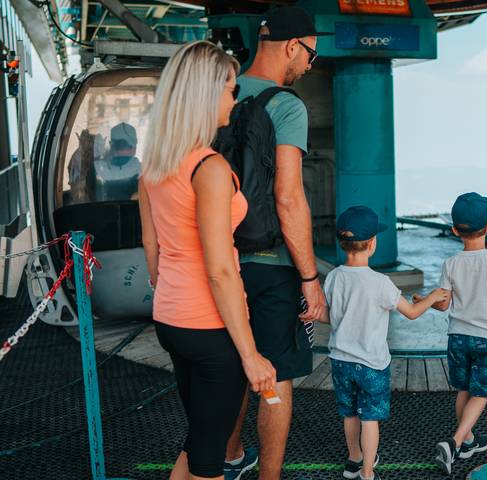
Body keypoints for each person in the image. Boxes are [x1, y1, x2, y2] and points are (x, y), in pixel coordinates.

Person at [138, 41, 276, 480]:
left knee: (200, 443)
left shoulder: (156, 164)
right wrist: (250, 354)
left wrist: (173, 302)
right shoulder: (210, 169)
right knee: (210, 461)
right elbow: (219, 270)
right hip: (210, 328)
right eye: (231, 89)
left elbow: (152, 248)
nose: (234, 100)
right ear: (206, 93)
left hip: (172, 321)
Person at [224, 6, 332, 480]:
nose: (310, 65)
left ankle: (228, 458)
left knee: (229, 365)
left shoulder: (216, 96)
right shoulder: (285, 105)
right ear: (292, 47)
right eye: (311, 55)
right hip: (271, 263)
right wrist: (310, 277)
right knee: (276, 373)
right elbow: (288, 198)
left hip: (220, 261)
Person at [314, 205, 449, 480]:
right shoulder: (380, 282)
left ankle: (354, 460)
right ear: (372, 244)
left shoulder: (334, 277)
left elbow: (332, 317)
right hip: (371, 364)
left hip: (340, 361)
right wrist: (433, 297)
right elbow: (411, 313)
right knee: (369, 419)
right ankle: (367, 472)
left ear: (342, 243)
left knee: (350, 414)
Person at [416, 192, 487, 476]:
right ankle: (455, 441)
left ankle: (469, 440)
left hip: (458, 336)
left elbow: (444, 304)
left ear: (454, 231)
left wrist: (424, 300)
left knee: (463, 389)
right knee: (481, 392)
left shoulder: (450, 264)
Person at [94, 122, 142, 201]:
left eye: (122, 145)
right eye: (118, 146)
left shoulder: (97, 170)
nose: (119, 151)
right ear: (134, 148)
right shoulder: (145, 172)